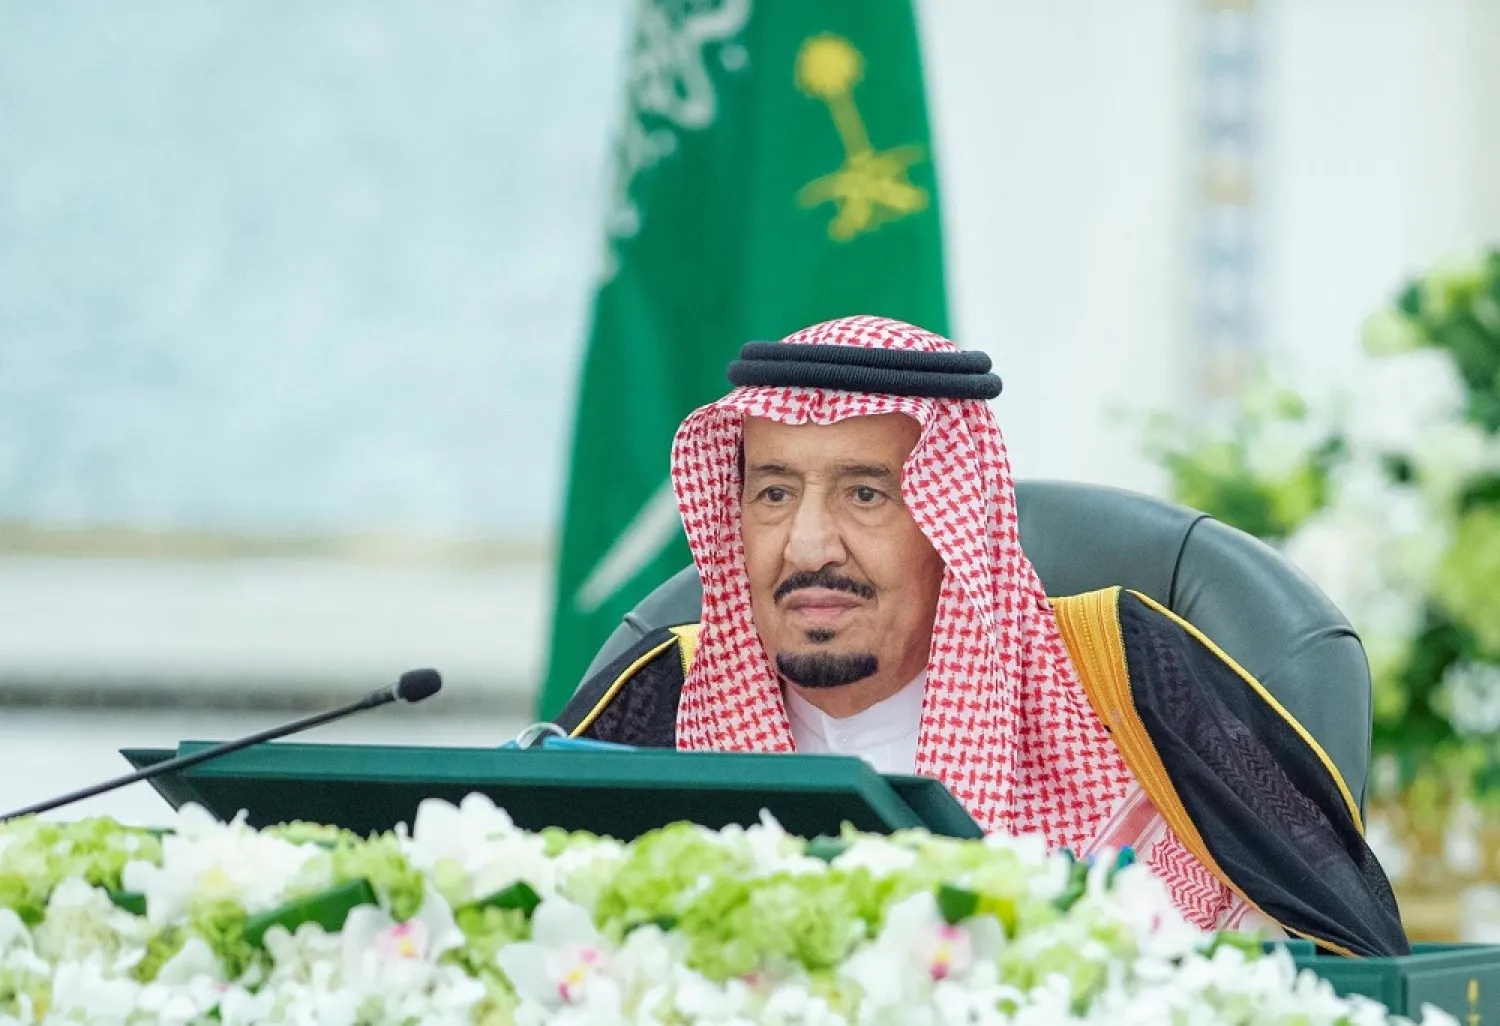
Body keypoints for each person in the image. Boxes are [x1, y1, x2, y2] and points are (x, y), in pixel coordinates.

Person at [552, 315, 1408, 957]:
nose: (807, 545)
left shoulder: (1127, 683)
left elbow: (1308, 973)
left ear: (956, 526)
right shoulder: (658, 700)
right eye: (773, 494)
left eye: (865, 494)